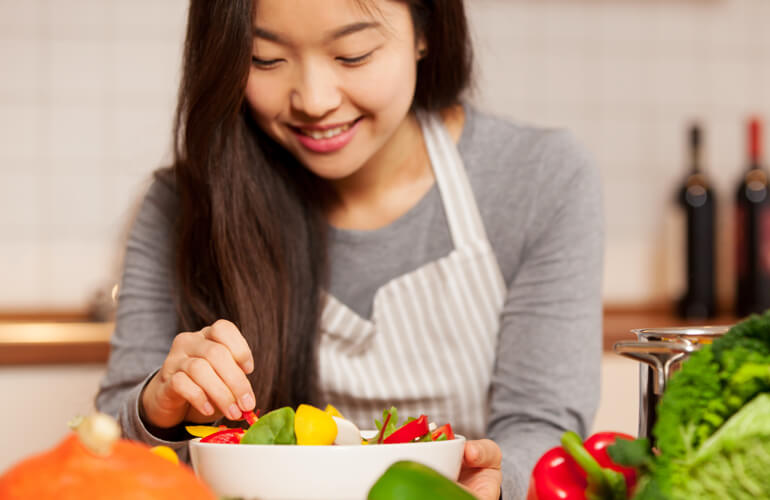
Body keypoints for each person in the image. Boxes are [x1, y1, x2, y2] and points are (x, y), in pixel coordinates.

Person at [95, 0, 604, 498]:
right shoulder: (183, 203)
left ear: (425, 31)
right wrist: (157, 408)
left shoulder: (541, 177)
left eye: (353, 54)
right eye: (266, 59)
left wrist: (494, 484)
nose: (314, 100)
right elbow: (109, 448)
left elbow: (540, 425)